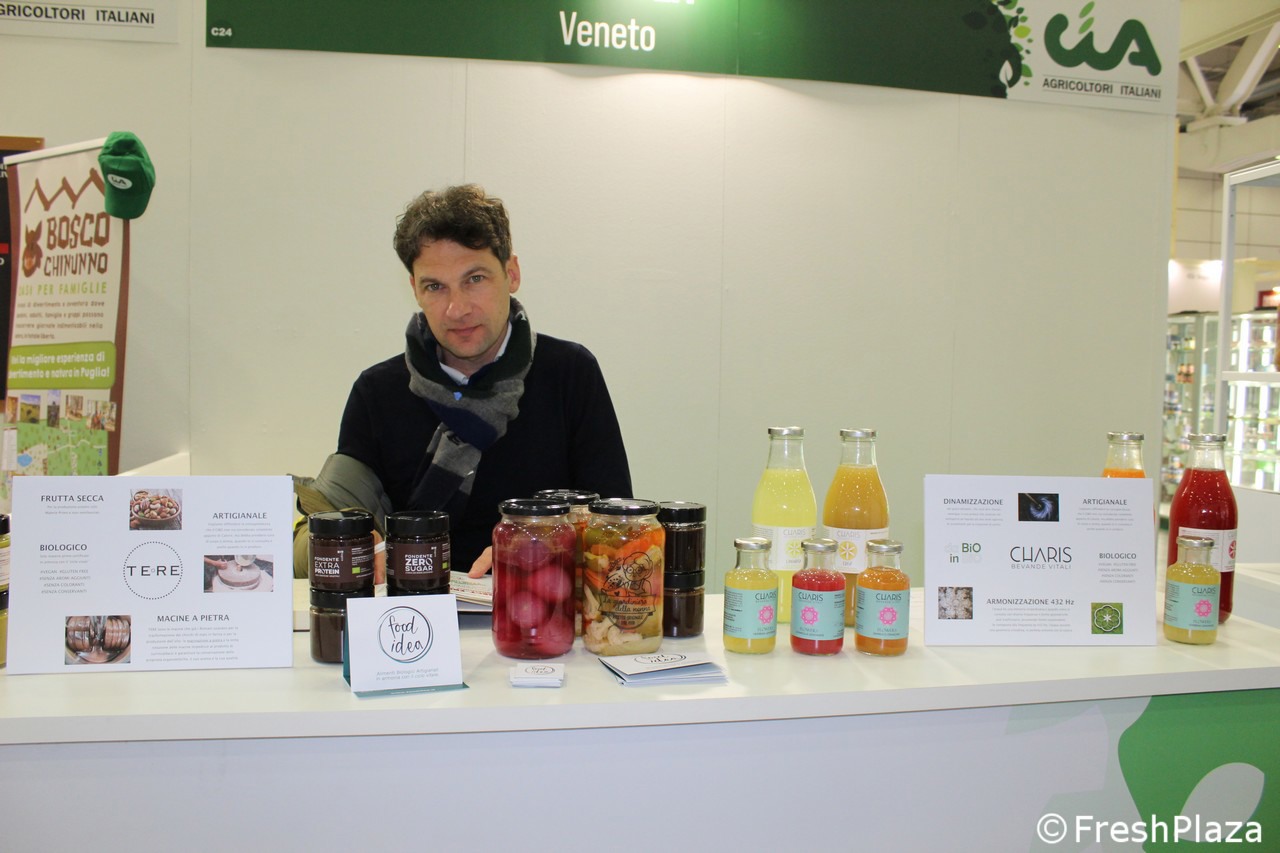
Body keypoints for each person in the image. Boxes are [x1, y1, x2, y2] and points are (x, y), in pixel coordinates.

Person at [293, 185, 632, 579]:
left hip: (539, 604)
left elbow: (618, 527)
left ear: (512, 274)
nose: (457, 309)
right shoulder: (377, 392)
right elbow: (329, 518)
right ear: (415, 290)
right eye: (435, 286)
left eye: (474, 278)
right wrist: (350, 545)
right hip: (413, 610)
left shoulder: (569, 373)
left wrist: (537, 549)